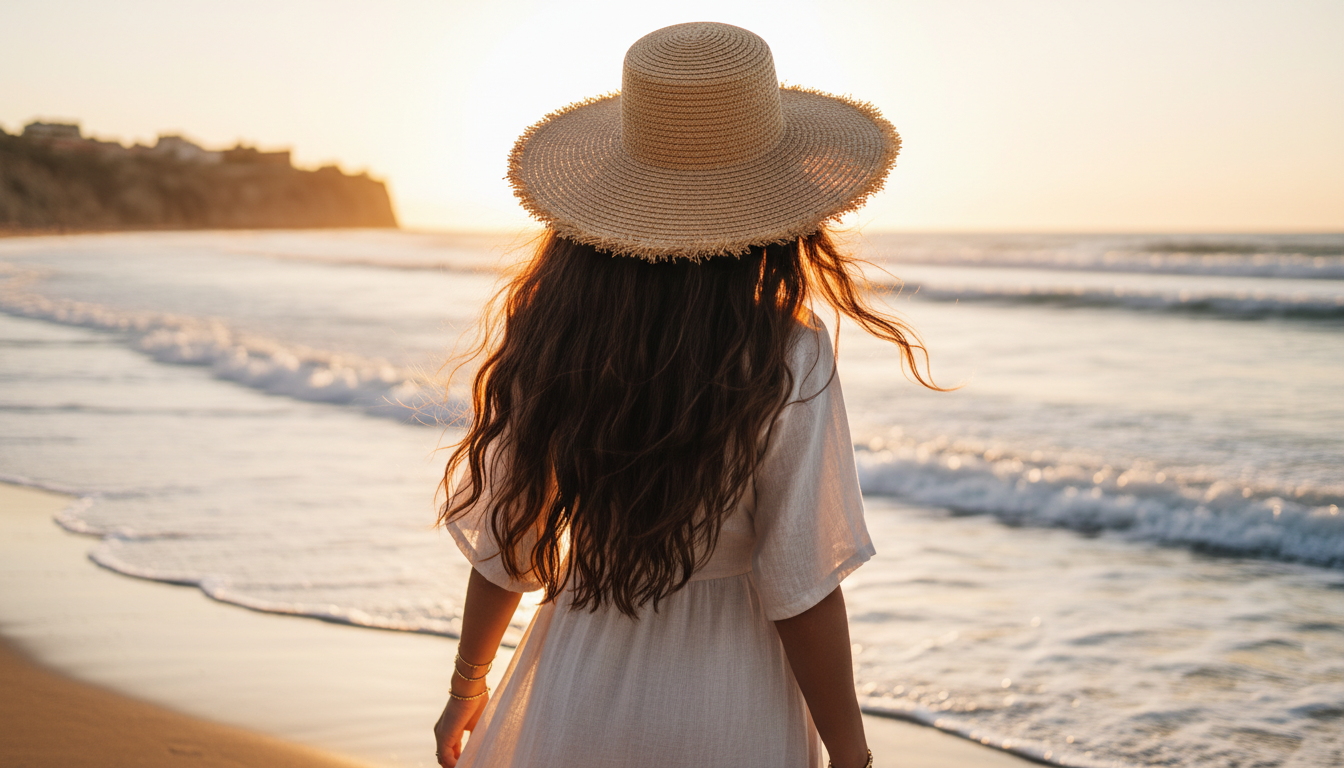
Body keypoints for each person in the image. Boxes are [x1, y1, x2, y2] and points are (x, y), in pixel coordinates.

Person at [432, 21, 941, 768]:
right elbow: (800, 586)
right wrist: (852, 754)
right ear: (776, 208)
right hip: (729, 699)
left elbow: (511, 533)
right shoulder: (786, 356)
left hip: (576, 679)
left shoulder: (556, 332)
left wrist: (467, 683)